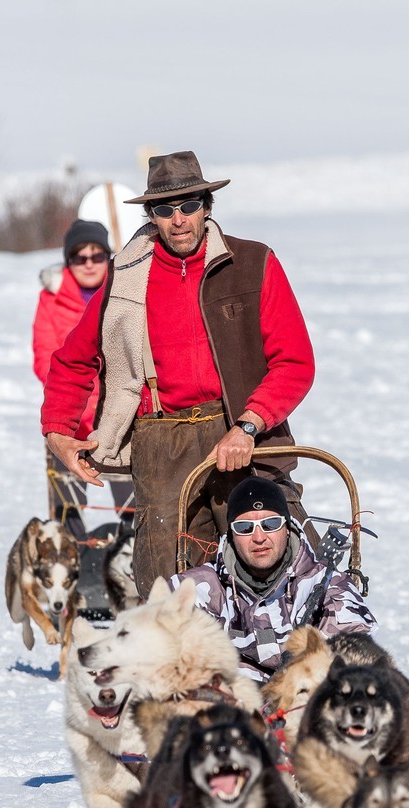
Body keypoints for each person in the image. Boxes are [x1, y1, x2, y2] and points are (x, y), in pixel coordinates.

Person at [42, 149, 315, 597]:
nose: (179, 219)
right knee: (167, 586)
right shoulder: (125, 276)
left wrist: (249, 425)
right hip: (161, 441)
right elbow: (72, 360)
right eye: (165, 209)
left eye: (190, 205)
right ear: (151, 215)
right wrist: (57, 430)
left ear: (208, 207)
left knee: (282, 567)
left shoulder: (253, 263)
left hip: (241, 433)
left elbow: (295, 362)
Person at [173, 477, 376, 682]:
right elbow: (160, 632)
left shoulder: (327, 583)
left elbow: (355, 643)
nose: (259, 537)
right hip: (234, 700)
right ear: (232, 534)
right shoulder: (200, 587)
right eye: (245, 527)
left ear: (287, 528)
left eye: (270, 524)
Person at [32, 218, 119, 533]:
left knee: (133, 504)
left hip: (118, 420)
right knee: (68, 511)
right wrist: (76, 402)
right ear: (68, 260)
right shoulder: (52, 299)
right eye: (80, 257)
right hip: (71, 420)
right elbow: (45, 357)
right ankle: (75, 565)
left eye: (97, 256)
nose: (89, 264)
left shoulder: (123, 291)